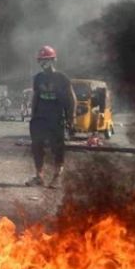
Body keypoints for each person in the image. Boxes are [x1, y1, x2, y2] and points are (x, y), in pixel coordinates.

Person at [26, 45, 76, 188]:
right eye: (41, 60)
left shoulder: (62, 78)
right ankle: (39, 176)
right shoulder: (38, 78)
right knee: (37, 147)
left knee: (57, 148)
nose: (43, 63)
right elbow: (35, 96)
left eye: (46, 60)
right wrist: (32, 116)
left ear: (53, 60)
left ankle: (57, 177)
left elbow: (72, 99)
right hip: (39, 119)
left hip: (56, 118)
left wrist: (71, 118)